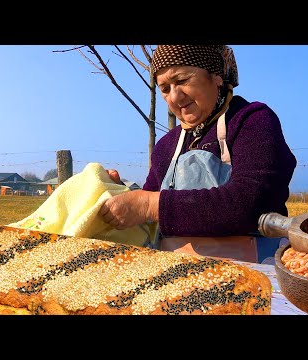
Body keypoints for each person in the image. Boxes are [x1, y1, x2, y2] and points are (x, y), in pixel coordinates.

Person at [100, 45, 297, 264]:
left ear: (215, 76)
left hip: (254, 272)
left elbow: (252, 201)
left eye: (182, 80)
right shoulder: (167, 145)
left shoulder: (251, 121)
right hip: (176, 276)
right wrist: (119, 192)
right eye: (164, 88)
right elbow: (148, 212)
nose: (175, 97)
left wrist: (148, 205)